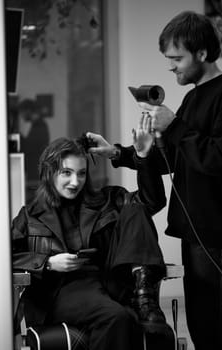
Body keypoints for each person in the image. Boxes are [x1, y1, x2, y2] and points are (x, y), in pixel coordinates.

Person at [87, 11, 222, 350]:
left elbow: (216, 159)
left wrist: (174, 126)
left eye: (177, 58)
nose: (171, 67)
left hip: (216, 234)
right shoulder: (193, 97)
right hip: (195, 235)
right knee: (202, 325)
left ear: (202, 53)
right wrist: (117, 153)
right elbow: (175, 158)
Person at [12, 123, 167, 350]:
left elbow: (152, 201)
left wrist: (142, 157)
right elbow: (3, 258)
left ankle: (144, 298)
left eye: (81, 173)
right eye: (67, 172)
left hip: (109, 280)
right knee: (117, 317)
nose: (75, 182)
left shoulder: (107, 200)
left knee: (135, 208)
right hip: (60, 291)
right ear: (49, 172)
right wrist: (47, 263)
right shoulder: (30, 215)